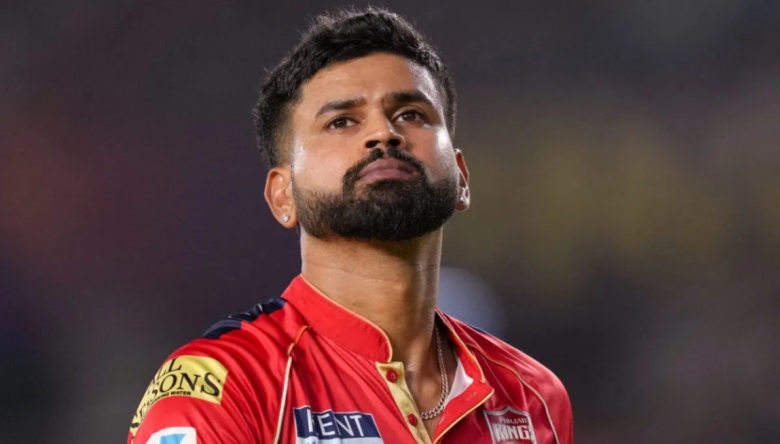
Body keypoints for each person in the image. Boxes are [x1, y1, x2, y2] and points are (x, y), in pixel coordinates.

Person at [127, 7, 573, 444]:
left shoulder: (533, 397)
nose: (384, 133)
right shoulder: (227, 387)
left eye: (411, 114)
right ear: (283, 196)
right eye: (341, 121)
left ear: (461, 178)